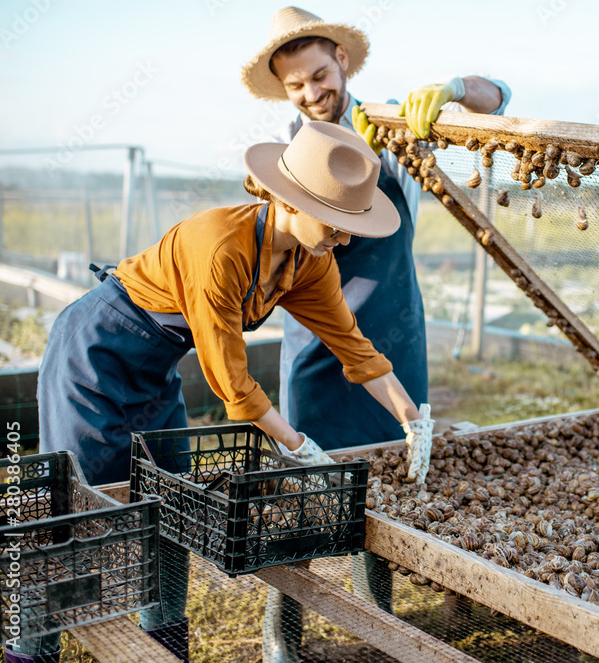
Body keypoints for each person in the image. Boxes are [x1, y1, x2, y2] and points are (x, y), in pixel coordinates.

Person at [29, 121, 433, 663]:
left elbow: (353, 347)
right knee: (75, 514)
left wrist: (413, 418)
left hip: (154, 370)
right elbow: (232, 384)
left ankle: (165, 645)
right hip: (96, 354)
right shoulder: (220, 247)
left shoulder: (308, 263)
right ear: (291, 200)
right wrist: (296, 444)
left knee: (167, 501)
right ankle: (32, 648)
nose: (346, 238)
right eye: (336, 222)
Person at [241, 7, 510, 663]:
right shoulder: (284, 146)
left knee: (379, 484)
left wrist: (448, 90)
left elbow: (499, 97)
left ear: (339, 58)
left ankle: (379, 622)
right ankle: (285, 636)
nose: (311, 92)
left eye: (319, 74)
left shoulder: (393, 123)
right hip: (313, 343)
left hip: (391, 331)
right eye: (296, 84)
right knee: (301, 483)